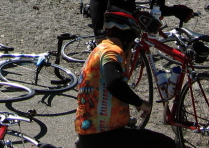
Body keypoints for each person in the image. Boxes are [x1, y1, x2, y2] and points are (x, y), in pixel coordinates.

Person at [73, 12, 178, 148]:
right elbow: (114, 83)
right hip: (102, 135)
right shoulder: (112, 51)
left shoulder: (99, 50)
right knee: (166, 144)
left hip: (91, 133)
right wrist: (140, 103)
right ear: (126, 38)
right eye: (132, 42)